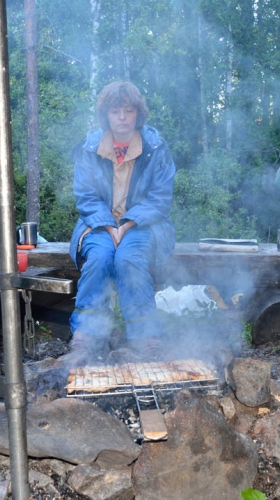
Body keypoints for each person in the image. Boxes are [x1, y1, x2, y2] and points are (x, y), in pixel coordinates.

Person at [67, 81, 176, 361]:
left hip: (143, 224)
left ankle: (146, 337)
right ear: (106, 115)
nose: (123, 117)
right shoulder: (90, 147)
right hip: (97, 223)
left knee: (129, 259)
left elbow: (160, 198)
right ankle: (87, 335)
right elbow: (86, 195)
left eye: (128, 111)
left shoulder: (155, 147)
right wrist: (107, 226)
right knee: (101, 257)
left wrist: (126, 225)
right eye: (116, 111)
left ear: (138, 114)